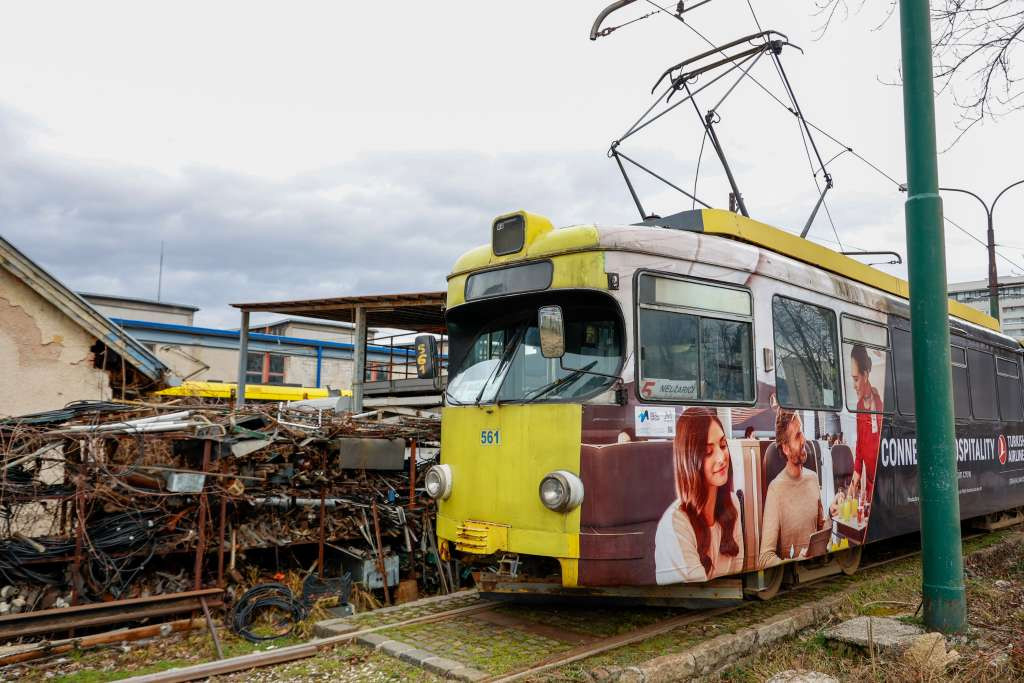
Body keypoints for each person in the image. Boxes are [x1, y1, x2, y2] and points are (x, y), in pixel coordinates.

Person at [654, 408, 744, 583]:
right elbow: (697, 586)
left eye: (723, 445)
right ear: (689, 460)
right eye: (708, 452)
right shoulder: (675, 524)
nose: (721, 458)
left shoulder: (732, 503)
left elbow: (737, 571)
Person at [758, 409, 825, 568]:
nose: (803, 439)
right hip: (794, 575)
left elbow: (821, 526)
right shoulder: (776, 490)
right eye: (797, 436)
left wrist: (832, 514)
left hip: (817, 569)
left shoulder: (813, 478)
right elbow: (765, 558)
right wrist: (794, 562)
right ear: (786, 448)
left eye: (801, 432)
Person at [849, 344, 883, 502]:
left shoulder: (880, 403)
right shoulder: (859, 407)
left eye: (856, 379)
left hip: (884, 482)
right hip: (870, 487)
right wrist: (855, 477)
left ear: (866, 374)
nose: (854, 385)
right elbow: (860, 446)